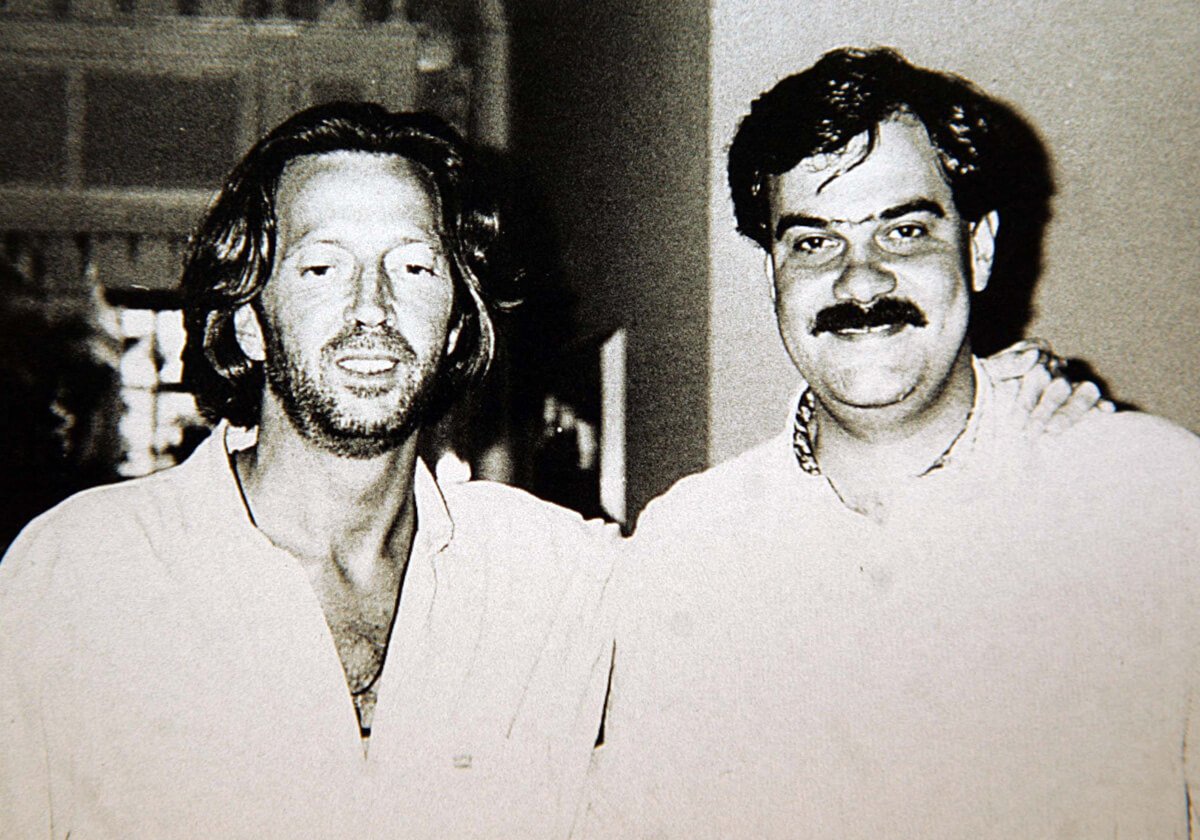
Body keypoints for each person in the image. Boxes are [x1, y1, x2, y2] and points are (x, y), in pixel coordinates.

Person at [585, 47, 1200, 838]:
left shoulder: (1153, 503)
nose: (860, 281)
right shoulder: (687, 546)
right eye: (813, 242)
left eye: (904, 232)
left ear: (978, 249)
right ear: (771, 273)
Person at [0, 103, 617, 840]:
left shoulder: (559, 580)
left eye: (415, 267)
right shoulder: (81, 574)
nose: (373, 308)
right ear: (249, 322)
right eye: (323, 268)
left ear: (457, 325)